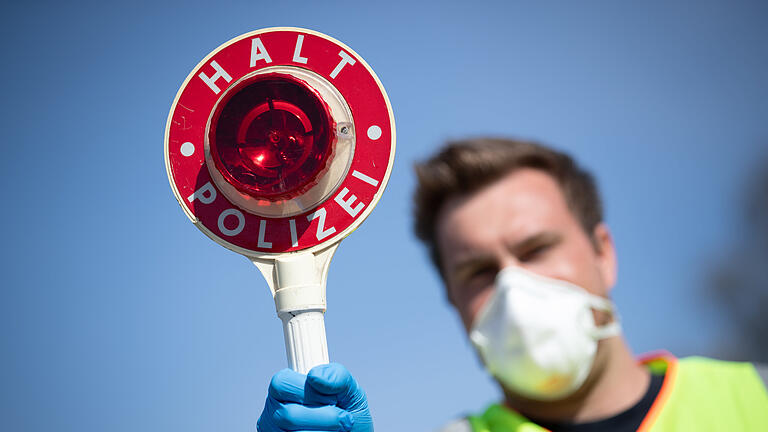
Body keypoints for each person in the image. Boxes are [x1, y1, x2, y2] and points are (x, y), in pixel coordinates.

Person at [257, 138, 768, 432]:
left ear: (603, 254)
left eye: (536, 250)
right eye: (479, 273)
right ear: (453, 303)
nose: (514, 288)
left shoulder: (753, 399)